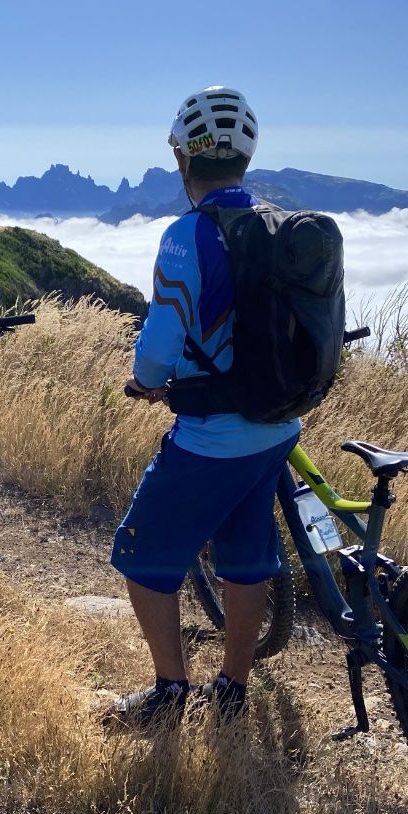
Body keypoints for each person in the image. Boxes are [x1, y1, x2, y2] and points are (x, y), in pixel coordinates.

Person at [107, 87, 301, 727]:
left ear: (184, 160)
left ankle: (168, 694)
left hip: (213, 436)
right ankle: (232, 689)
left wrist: (146, 383)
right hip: (278, 427)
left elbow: (158, 348)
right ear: (245, 156)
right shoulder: (280, 225)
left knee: (140, 556)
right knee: (245, 559)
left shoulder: (188, 234)